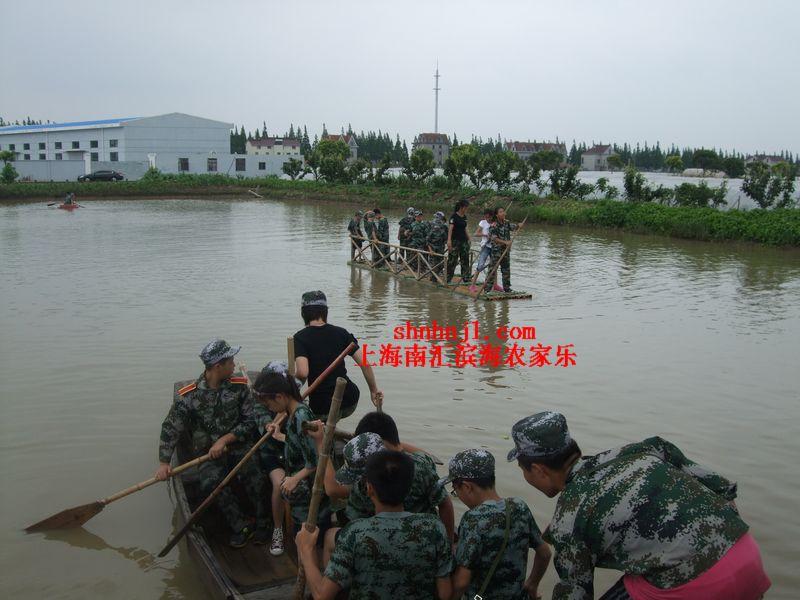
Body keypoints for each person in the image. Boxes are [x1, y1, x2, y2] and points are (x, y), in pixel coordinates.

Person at [509, 411, 771, 600]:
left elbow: (575, 592)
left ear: (538, 469)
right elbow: (724, 489)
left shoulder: (569, 518)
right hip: (746, 554)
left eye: (523, 470)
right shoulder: (642, 450)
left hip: (697, 586)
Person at [295, 450, 454, 600]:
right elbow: (445, 593)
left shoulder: (355, 533)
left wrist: (306, 550)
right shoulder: (434, 527)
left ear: (369, 488)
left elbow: (322, 596)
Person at [155, 339, 267, 547]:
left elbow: (251, 420)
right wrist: (163, 463)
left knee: (255, 473)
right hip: (208, 454)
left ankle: (263, 523)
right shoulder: (189, 396)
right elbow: (171, 428)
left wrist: (226, 439)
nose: (234, 365)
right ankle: (240, 525)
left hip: (238, 446)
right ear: (218, 367)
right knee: (208, 481)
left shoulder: (239, 387)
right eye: (230, 361)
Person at [441, 448, 551, 600]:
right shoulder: (519, 507)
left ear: (467, 487)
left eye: (455, 490)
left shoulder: (473, 519)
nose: (457, 495)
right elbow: (545, 553)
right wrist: (532, 584)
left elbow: (461, 582)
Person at [252, 360, 330, 538]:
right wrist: (280, 436)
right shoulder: (293, 414)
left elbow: (315, 460)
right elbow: (299, 444)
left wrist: (294, 479)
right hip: (303, 497)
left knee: (309, 539)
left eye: (269, 403)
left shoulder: (301, 416)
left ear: (280, 397)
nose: (270, 408)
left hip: (310, 497)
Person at [293, 290, 382, 420]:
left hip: (322, 406)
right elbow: (364, 363)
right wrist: (373, 390)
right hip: (349, 400)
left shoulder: (300, 338)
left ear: (303, 313)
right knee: (332, 419)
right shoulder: (341, 333)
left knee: (319, 421)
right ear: (325, 312)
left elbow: (302, 373)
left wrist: (291, 385)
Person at [252, 378, 288, 556]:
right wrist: (271, 426)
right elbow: (264, 422)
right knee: (279, 483)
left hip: (292, 453)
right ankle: (278, 529)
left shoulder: (297, 408)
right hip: (271, 453)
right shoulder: (261, 405)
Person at [484, 206, 521, 293]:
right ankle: (487, 289)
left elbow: (513, 227)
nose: (503, 213)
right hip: (497, 251)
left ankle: (507, 288)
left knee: (506, 270)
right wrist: (505, 242)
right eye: (500, 212)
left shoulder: (506, 223)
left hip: (506, 251)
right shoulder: (494, 225)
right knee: (492, 270)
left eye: (503, 211)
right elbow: (494, 238)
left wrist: (518, 225)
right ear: (497, 215)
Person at [469, 208, 495, 292]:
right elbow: (476, 233)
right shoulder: (482, 222)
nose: (487, 219)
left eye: (489, 217)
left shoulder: (495, 223)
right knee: (480, 265)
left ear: (492, 216)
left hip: (494, 246)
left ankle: (495, 284)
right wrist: (485, 235)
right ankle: (472, 285)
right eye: (486, 217)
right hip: (485, 246)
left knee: (494, 266)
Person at [447, 199, 471, 284]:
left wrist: (469, 239)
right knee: (452, 260)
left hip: (464, 241)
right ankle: (448, 278)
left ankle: (466, 278)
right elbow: (450, 229)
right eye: (466, 207)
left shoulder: (464, 217)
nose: (467, 209)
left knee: (465, 259)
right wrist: (449, 241)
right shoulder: (454, 216)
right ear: (461, 207)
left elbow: (465, 228)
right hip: (455, 241)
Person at [426, 211, 448, 282]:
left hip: (441, 248)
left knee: (440, 264)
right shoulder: (430, 224)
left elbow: (446, 237)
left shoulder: (444, 226)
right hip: (432, 247)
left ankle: (435, 277)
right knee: (433, 263)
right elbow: (427, 239)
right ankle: (433, 279)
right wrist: (430, 250)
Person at [408, 209, 429, 273]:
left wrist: (427, 244)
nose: (419, 217)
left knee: (422, 257)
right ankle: (414, 269)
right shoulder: (412, 224)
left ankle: (422, 270)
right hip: (414, 243)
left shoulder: (425, 224)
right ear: (415, 217)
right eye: (417, 216)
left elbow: (427, 234)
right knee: (413, 257)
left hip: (422, 243)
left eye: (420, 216)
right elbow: (409, 232)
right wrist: (407, 233)